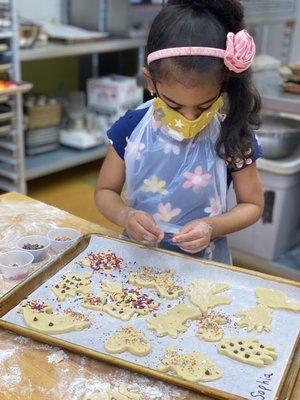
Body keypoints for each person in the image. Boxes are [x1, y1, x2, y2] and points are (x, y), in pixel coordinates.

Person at [94, 0, 264, 265]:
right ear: (150, 81)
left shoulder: (233, 135)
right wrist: (126, 217)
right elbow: (105, 191)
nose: (189, 117)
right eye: (174, 105)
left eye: (204, 105)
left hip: (204, 263)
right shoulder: (131, 128)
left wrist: (212, 227)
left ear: (224, 84)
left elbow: (252, 205)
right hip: (138, 257)